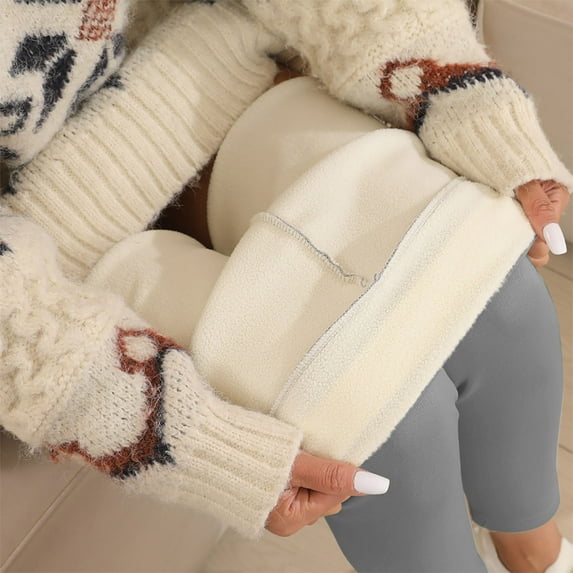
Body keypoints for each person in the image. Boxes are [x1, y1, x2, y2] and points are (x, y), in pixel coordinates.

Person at [0, 0, 571, 569]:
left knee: (501, 297)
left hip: (203, 72)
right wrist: (165, 430)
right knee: (373, 420)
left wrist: (467, 100)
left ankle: (534, 555)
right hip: (47, 239)